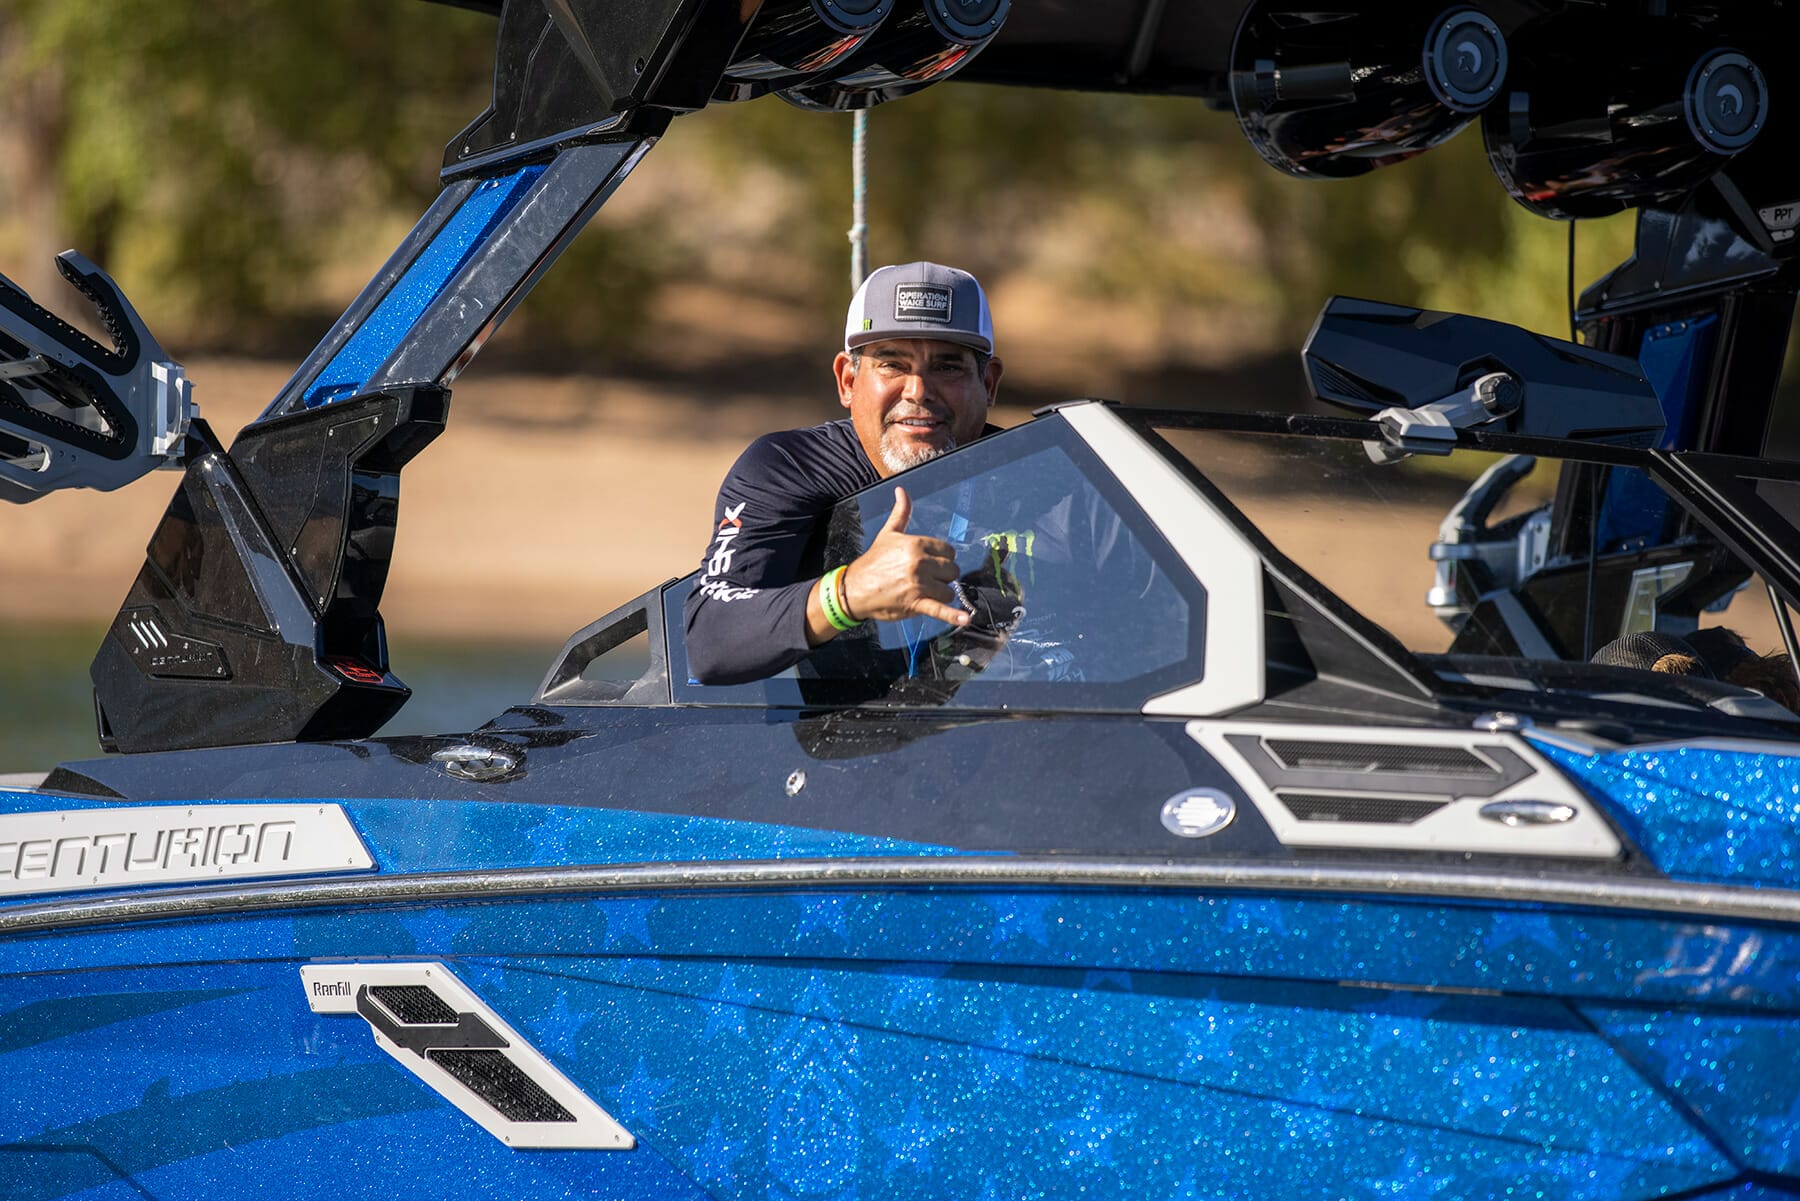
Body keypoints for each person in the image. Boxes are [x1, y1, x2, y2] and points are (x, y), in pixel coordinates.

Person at [684, 262, 1006, 686]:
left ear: (988, 383)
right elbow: (711, 640)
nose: (918, 390)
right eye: (892, 364)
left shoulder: (1050, 477)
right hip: (829, 746)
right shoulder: (789, 467)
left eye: (947, 367)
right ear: (848, 380)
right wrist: (848, 594)